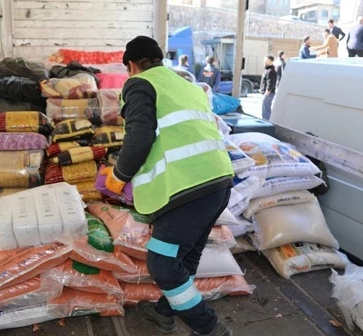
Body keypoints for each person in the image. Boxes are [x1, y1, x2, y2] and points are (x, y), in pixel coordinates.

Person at [101, 36, 235, 336]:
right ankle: (163, 312)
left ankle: (210, 328)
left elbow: (140, 136)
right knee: (184, 257)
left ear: (132, 65)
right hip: (218, 182)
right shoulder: (186, 86)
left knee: (161, 263)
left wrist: (119, 175)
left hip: (187, 190)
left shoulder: (139, 84)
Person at [260, 55, 277, 121]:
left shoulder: (271, 71)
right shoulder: (267, 70)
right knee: (266, 108)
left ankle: (267, 122)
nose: (264, 62)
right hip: (266, 93)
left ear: (271, 61)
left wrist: (267, 93)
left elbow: (270, 83)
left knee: (266, 110)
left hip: (268, 93)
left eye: (266, 60)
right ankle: (266, 120)